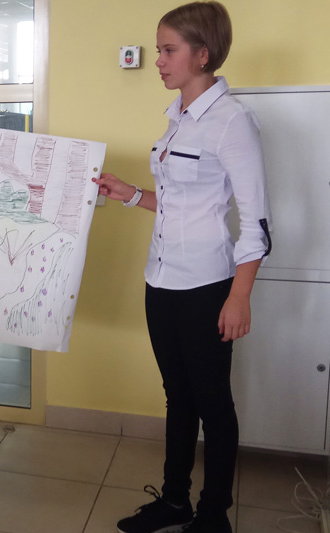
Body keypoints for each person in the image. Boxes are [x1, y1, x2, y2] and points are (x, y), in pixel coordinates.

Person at [93, 3, 271, 532]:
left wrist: (239, 296)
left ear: (203, 54)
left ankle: (214, 515)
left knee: (213, 404)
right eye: (159, 50)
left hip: (207, 286)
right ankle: (175, 501)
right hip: (161, 280)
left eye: (169, 50)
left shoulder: (232, 121)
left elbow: (256, 223)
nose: (159, 60)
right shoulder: (177, 119)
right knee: (178, 397)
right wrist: (129, 193)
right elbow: (176, 202)